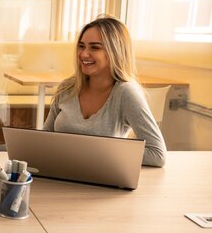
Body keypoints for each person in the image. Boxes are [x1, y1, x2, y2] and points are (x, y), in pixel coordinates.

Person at [43, 15, 166, 167]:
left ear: (115, 51)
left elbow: (157, 154)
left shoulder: (126, 93)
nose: (84, 54)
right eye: (82, 46)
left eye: (95, 47)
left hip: (103, 185)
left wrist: (90, 152)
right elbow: (44, 138)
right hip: (60, 174)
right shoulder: (68, 87)